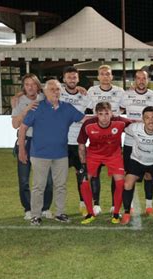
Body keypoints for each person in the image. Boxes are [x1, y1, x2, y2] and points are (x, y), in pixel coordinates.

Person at [18, 79, 87, 225]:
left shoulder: (67, 108)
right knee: (39, 186)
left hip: (61, 154)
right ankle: (35, 215)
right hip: (39, 154)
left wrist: (105, 117)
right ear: (45, 92)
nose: (55, 92)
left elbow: (84, 119)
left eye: (57, 89)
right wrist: (22, 150)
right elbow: (23, 128)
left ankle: (60, 213)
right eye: (52, 89)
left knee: (61, 185)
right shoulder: (37, 108)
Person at [77, 102, 132, 224]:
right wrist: (83, 164)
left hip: (113, 155)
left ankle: (116, 213)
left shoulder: (120, 121)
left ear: (112, 113)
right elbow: (81, 145)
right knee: (84, 181)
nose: (104, 117)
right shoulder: (88, 124)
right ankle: (90, 213)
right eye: (101, 114)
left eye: (107, 113)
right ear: (96, 115)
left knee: (120, 182)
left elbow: (135, 123)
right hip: (94, 155)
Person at [120, 70, 153, 215]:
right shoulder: (126, 95)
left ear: (148, 80)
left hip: (149, 142)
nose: (141, 81)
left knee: (149, 175)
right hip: (130, 141)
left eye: (143, 78)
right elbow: (117, 112)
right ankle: (130, 205)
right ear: (135, 80)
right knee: (129, 175)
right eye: (138, 78)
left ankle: (149, 206)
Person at [121, 106, 153, 225]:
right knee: (127, 183)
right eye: (147, 118)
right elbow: (122, 126)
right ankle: (126, 213)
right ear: (142, 119)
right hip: (137, 160)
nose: (150, 120)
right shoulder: (134, 128)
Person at [11, 73, 53, 220]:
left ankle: (45, 208)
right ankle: (28, 209)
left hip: (42, 144)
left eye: (33, 84)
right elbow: (15, 124)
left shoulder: (44, 97)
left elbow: (59, 89)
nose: (30, 87)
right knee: (24, 179)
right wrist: (26, 109)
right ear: (24, 86)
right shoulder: (18, 101)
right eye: (27, 84)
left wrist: (79, 87)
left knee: (47, 180)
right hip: (25, 142)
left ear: (38, 86)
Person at [86, 65, 126, 215]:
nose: (105, 76)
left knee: (116, 173)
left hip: (114, 139)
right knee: (95, 172)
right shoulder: (91, 91)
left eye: (107, 74)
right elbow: (90, 110)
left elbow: (122, 109)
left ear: (111, 76)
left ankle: (113, 205)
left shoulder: (119, 91)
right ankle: (96, 204)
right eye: (102, 74)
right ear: (98, 77)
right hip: (96, 136)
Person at [59, 66, 95, 216]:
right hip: (61, 143)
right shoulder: (58, 93)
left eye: (74, 77)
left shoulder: (85, 96)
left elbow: (93, 112)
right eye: (69, 77)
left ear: (78, 79)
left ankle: (83, 204)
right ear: (64, 79)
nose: (72, 80)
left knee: (82, 175)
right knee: (59, 178)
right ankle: (57, 208)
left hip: (79, 143)